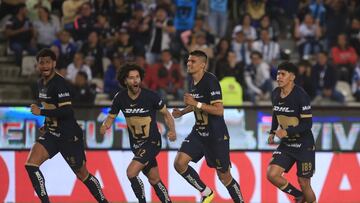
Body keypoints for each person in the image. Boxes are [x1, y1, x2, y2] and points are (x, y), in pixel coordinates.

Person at [26, 48, 108, 203]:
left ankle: (104, 201)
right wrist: (46, 123)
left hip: (69, 135)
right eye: (41, 62)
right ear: (38, 65)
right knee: (31, 164)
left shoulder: (60, 83)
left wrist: (41, 112)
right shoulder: (40, 83)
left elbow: (67, 111)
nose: (44, 65)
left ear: (54, 63)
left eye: (48, 62)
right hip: (52, 133)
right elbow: (51, 105)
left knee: (82, 174)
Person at [172, 50, 245, 203]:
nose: (188, 63)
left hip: (215, 135)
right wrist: (183, 112)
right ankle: (206, 192)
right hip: (199, 132)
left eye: (193, 61)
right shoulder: (193, 81)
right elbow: (197, 104)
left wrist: (195, 103)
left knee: (224, 176)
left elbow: (219, 110)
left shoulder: (210, 80)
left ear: (202, 65)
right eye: (188, 61)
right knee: (179, 163)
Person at [100, 63, 176, 203]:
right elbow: (111, 117)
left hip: (152, 142)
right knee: (154, 179)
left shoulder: (151, 96)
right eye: (131, 78)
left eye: (137, 77)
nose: (135, 81)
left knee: (131, 173)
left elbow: (166, 114)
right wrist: (105, 126)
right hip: (136, 145)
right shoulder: (120, 98)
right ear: (125, 81)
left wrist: (172, 131)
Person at [266, 61, 316, 203]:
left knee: (304, 182)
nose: (279, 77)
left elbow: (308, 124)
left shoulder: (301, 96)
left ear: (292, 77)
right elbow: (276, 113)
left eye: (283, 74)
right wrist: (272, 131)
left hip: (304, 145)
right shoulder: (275, 93)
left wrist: (287, 132)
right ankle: (298, 196)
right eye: (277, 74)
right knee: (272, 174)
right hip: (287, 145)